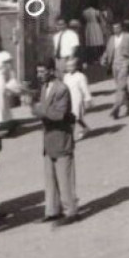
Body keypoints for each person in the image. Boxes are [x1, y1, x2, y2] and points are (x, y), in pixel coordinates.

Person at [34, 58, 79, 225]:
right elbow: (46, 111)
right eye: (38, 72)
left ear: (51, 71)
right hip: (48, 140)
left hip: (61, 139)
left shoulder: (61, 89)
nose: (39, 75)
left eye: (42, 72)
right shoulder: (45, 87)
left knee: (64, 178)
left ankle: (71, 211)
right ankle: (52, 210)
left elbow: (58, 115)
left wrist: (36, 108)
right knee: (50, 177)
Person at [103, 22, 129, 118]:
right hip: (114, 65)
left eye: (117, 27)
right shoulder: (112, 38)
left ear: (121, 28)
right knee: (122, 86)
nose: (115, 30)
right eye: (114, 28)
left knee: (120, 87)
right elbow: (108, 50)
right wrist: (104, 58)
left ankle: (116, 108)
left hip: (124, 64)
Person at [60, 55, 93, 141]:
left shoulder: (80, 76)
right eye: (68, 66)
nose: (69, 68)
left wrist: (87, 99)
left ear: (76, 66)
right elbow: (64, 87)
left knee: (74, 118)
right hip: (68, 100)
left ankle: (70, 137)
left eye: (72, 66)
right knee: (75, 118)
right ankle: (86, 128)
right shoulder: (66, 77)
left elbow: (85, 89)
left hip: (77, 100)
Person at [80, 1, 108, 68]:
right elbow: (102, 20)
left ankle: (91, 59)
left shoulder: (84, 12)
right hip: (95, 26)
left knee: (90, 43)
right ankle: (98, 58)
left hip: (88, 27)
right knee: (97, 42)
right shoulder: (96, 11)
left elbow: (83, 20)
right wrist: (104, 24)